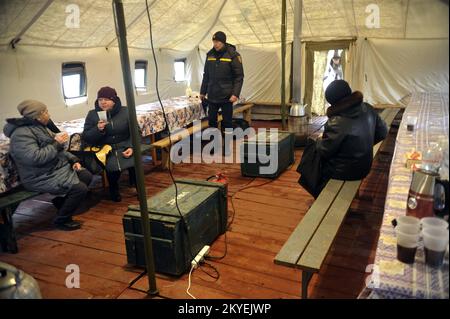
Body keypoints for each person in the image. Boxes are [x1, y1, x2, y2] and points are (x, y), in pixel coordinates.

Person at [3, 100, 92, 230]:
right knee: (80, 189)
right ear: (37, 116)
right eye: (45, 112)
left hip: (53, 169)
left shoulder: (40, 127)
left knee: (86, 175)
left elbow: (59, 151)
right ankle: (61, 220)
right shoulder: (21, 134)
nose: (48, 115)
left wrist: (73, 160)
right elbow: (35, 158)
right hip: (38, 176)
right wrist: (56, 143)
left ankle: (62, 202)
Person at [312, 80, 388, 196]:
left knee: (312, 156)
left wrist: (316, 141)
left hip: (343, 172)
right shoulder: (368, 108)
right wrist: (364, 143)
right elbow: (383, 132)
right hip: (365, 166)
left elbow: (325, 150)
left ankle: (319, 196)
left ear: (333, 101)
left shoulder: (336, 121)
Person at [82, 86, 135, 202]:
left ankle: (135, 182)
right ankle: (113, 188)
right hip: (104, 148)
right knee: (112, 167)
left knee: (134, 160)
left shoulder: (126, 111)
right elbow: (86, 136)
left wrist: (131, 146)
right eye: (100, 99)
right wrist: (98, 129)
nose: (103, 102)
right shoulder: (92, 114)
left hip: (124, 145)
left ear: (114, 100)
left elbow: (135, 132)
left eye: (106, 99)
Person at [200, 31, 244, 153]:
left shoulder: (233, 55)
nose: (215, 44)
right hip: (212, 96)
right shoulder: (210, 55)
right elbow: (206, 75)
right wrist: (203, 91)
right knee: (212, 123)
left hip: (227, 96)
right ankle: (214, 146)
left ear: (223, 42)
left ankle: (227, 147)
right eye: (214, 42)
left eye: (218, 42)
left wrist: (235, 94)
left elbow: (239, 77)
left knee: (227, 123)